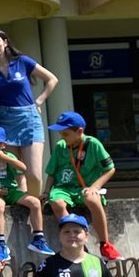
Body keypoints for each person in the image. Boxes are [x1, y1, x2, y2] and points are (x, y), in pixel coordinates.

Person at [0, 29, 58, 196]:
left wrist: (39, 101)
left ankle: (35, 204)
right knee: (17, 174)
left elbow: (52, 79)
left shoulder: (22, 61)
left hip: (29, 118)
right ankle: (23, 208)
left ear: (5, 42)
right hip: (5, 120)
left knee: (34, 174)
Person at [44, 111, 120, 261]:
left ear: (79, 131)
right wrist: (46, 192)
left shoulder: (93, 144)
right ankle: (80, 246)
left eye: (65, 134)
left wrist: (95, 187)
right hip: (64, 188)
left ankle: (105, 244)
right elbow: (51, 172)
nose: (62, 138)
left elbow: (110, 168)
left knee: (92, 199)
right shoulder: (61, 146)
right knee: (57, 203)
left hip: (85, 187)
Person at [0, 126, 53, 257]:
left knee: (34, 202)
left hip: (11, 191)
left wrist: (6, 158)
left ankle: (38, 238)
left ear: (4, 145)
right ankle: (1, 243)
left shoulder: (8, 157)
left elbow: (24, 168)